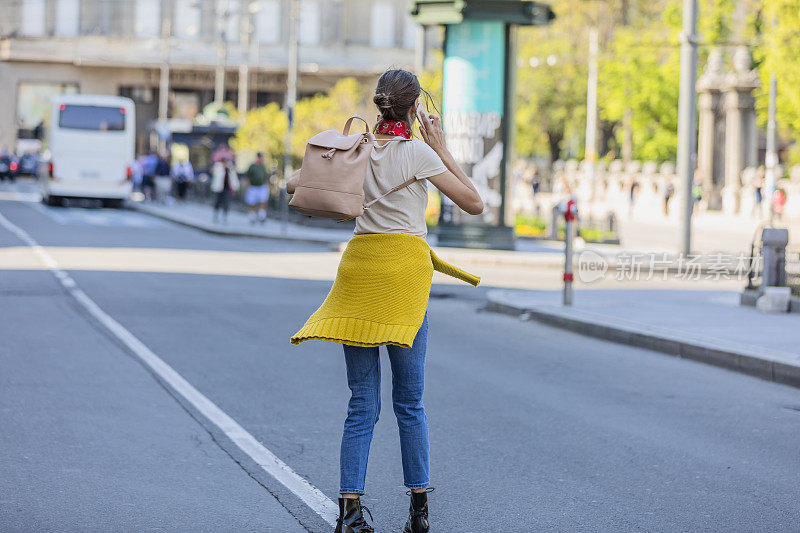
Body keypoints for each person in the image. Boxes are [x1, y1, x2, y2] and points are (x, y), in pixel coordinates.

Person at [290, 69, 484, 533]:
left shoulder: (355, 150)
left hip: (358, 270)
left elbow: (299, 181)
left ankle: (349, 514)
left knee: (362, 402)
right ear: (415, 109)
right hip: (403, 279)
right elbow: (474, 203)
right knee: (410, 403)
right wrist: (441, 147)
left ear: (378, 105)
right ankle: (418, 511)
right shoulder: (418, 153)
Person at [210, 156, 239, 224]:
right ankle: (215, 216)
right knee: (217, 202)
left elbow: (234, 177)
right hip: (218, 188)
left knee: (226, 203)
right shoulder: (218, 167)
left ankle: (224, 217)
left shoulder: (230, 168)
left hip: (227, 188)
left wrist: (235, 187)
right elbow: (213, 172)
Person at [244, 152, 270, 224]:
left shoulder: (263, 166)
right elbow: (247, 176)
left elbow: (265, 176)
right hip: (253, 186)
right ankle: (252, 215)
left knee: (263, 200)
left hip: (261, 186)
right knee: (252, 202)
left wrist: (267, 185)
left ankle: (261, 215)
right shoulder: (252, 166)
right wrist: (247, 185)